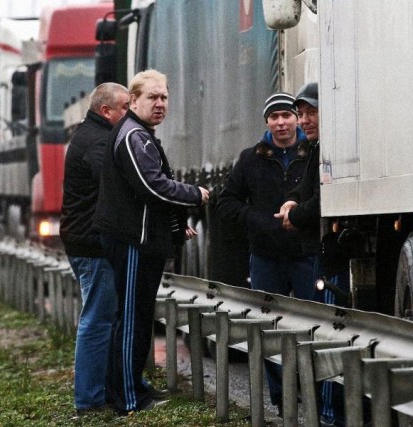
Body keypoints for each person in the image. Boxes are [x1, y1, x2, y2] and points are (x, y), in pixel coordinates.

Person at [93, 69, 210, 415]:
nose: (160, 104)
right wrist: (195, 194)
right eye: (152, 98)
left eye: (164, 97)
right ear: (132, 101)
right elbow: (152, 186)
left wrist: (175, 227)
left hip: (140, 239)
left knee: (139, 317)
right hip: (130, 241)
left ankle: (133, 389)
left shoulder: (141, 134)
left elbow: (147, 195)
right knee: (131, 319)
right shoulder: (133, 137)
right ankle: (128, 399)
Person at [217, 91, 316, 415]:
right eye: (274, 117)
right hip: (266, 258)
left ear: (296, 120)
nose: (281, 122)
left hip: (305, 256)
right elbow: (226, 202)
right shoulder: (250, 159)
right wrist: (257, 221)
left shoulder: (311, 153)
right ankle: (281, 396)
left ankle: (314, 393)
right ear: (266, 122)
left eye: (287, 115)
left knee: (312, 327)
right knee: (268, 329)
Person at [274, 82, 356, 426]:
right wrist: (294, 200)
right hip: (323, 253)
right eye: (301, 113)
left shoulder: (332, 150)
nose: (303, 120)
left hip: (335, 256)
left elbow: (324, 202)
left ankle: (331, 414)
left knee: (332, 336)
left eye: (311, 112)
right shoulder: (315, 149)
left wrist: (295, 215)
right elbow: (307, 191)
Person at [59, 82, 130, 416]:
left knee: (102, 318)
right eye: (125, 108)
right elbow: (115, 183)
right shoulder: (97, 142)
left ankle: (101, 393)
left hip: (86, 240)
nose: (129, 114)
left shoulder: (92, 135)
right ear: (107, 111)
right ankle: (89, 401)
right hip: (92, 244)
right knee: (98, 320)